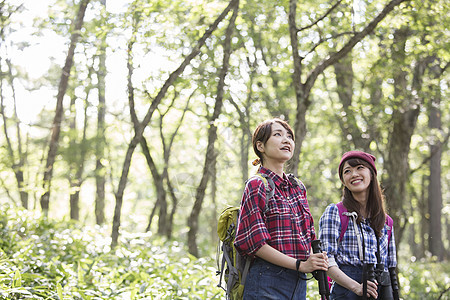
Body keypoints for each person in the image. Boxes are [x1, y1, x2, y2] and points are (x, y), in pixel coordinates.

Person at [234, 118, 328, 300]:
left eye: (289, 136)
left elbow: (308, 235)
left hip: (299, 283)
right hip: (266, 281)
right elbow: (255, 243)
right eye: (278, 134)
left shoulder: (297, 187)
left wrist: (312, 261)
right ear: (260, 146)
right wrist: (301, 264)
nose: (286, 140)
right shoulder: (257, 185)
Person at [319, 151, 397, 299]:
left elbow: (391, 267)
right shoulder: (336, 212)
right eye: (347, 171)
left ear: (372, 174)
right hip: (346, 291)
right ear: (343, 180)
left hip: (380, 290)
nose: (354, 174)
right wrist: (357, 287)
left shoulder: (386, 222)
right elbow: (326, 260)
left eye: (360, 168)